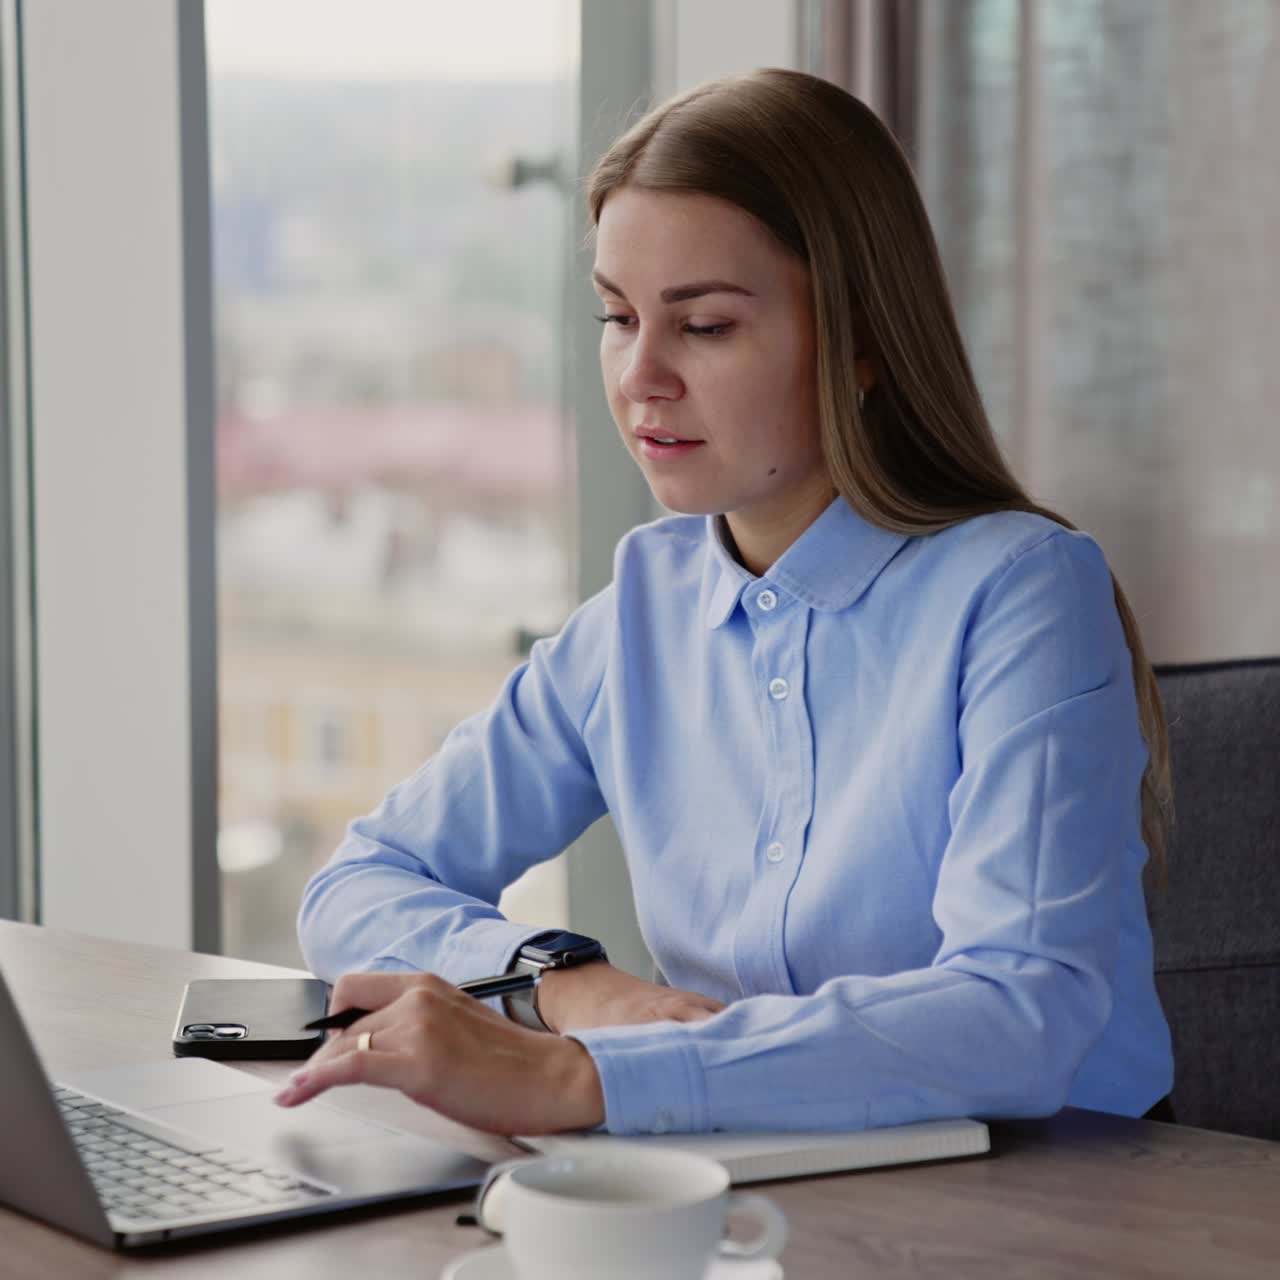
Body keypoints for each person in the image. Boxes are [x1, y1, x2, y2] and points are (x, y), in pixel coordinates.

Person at [275, 68, 1174, 1137]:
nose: (639, 376)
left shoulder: (1020, 593)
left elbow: (1019, 1010)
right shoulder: (642, 611)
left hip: (1063, 1197)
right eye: (617, 316)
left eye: (702, 325)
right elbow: (360, 884)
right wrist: (565, 985)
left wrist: (586, 1079)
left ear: (860, 343)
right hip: (754, 1175)